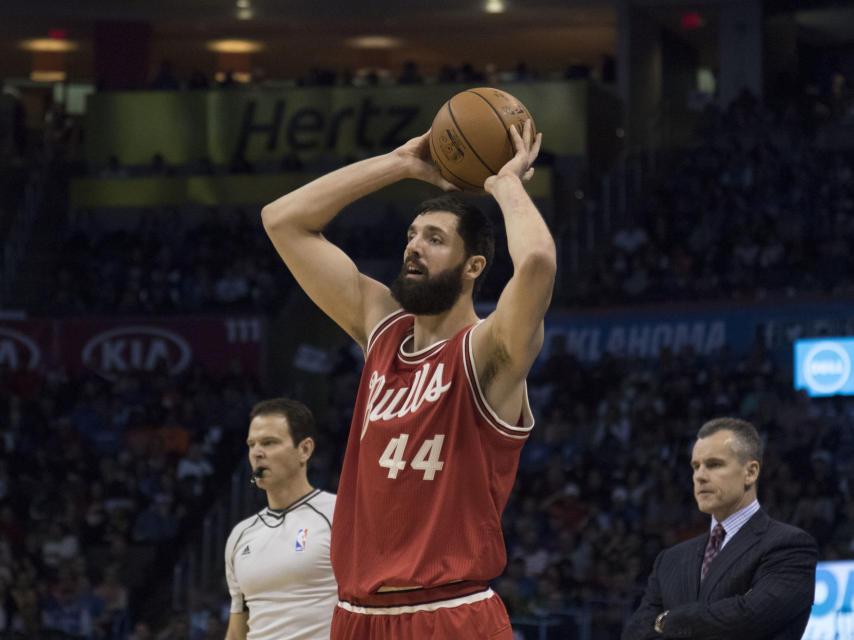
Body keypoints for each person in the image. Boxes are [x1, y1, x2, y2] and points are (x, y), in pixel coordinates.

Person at [261, 119, 555, 639]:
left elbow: (534, 263)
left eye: (435, 239)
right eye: (411, 236)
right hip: (356, 614)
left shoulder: (490, 351)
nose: (414, 247)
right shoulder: (383, 330)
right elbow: (283, 220)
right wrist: (399, 164)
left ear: (473, 266)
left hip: (450, 611)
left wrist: (504, 182)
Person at [621, 417, 818, 640]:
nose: (700, 476)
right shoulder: (670, 560)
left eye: (714, 464)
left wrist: (666, 620)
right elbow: (635, 633)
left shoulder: (789, 546)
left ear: (751, 472)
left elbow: (749, 617)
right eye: (696, 466)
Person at [224, 398, 336, 640]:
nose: (257, 453)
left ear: (304, 450)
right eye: (251, 444)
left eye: (269, 442)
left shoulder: (338, 515)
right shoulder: (240, 536)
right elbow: (236, 632)